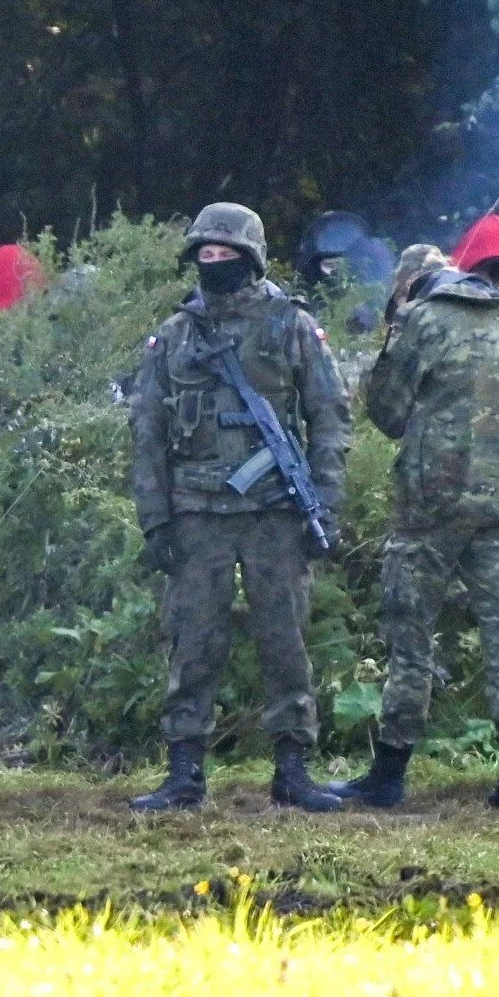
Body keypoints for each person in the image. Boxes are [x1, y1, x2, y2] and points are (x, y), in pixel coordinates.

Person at [128, 202, 352, 813]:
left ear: (250, 259)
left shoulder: (290, 326)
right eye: (206, 253)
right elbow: (146, 432)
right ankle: (183, 772)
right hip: (196, 513)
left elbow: (329, 417)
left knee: (285, 640)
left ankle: (293, 770)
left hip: (276, 510)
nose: (215, 262)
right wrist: (155, 518)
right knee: (194, 642)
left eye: (227, 254)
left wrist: (325, 504)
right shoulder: (173, 338)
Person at [332, 220, 499, 810]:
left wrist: (394, 335)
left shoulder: (424, 320)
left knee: (411, 631)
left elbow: (388, 413)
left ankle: (391, 772)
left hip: (434, 501)